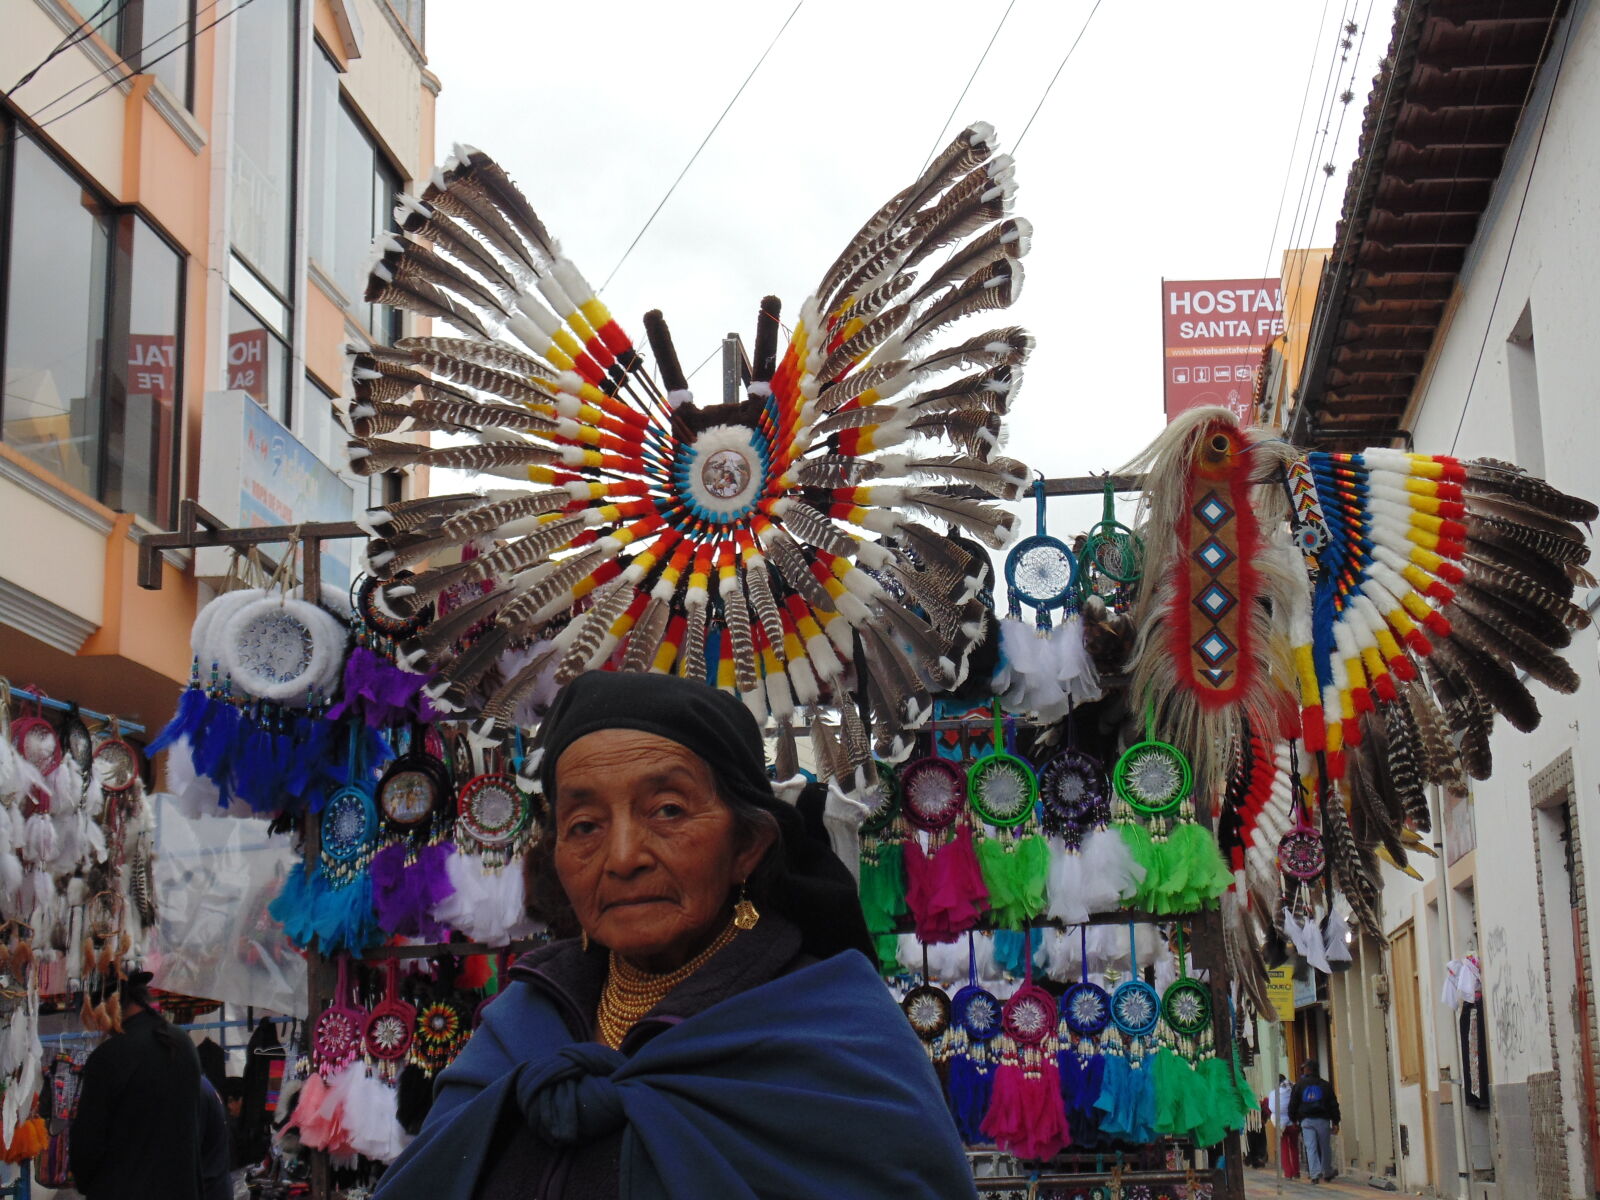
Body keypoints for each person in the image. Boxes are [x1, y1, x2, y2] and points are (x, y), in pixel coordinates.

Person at [376, 671, 974, 1199]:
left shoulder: (834, 1033)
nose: (623, 856)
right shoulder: (520, 1023)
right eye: (583, 825)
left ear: (747, 845)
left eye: (667, 810)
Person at [69, 970, 205, 1200]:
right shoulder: (183, 1044)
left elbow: (87, 1143)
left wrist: (88, 1183)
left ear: (109, 1004)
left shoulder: (111, 1056)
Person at [1289, 1058, 1341, 1183]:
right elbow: (1333, 1104)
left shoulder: (1299, 1085)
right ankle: (1327, 1172)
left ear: (1307, 1070)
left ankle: (1314, 1174)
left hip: (1306, 1121)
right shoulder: (1325, 1085)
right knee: (1325, 1147)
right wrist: (1335, 1121)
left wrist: (1293, 1119)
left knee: (1310, 1147)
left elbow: (1293, 1104)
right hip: (1322, 1120)